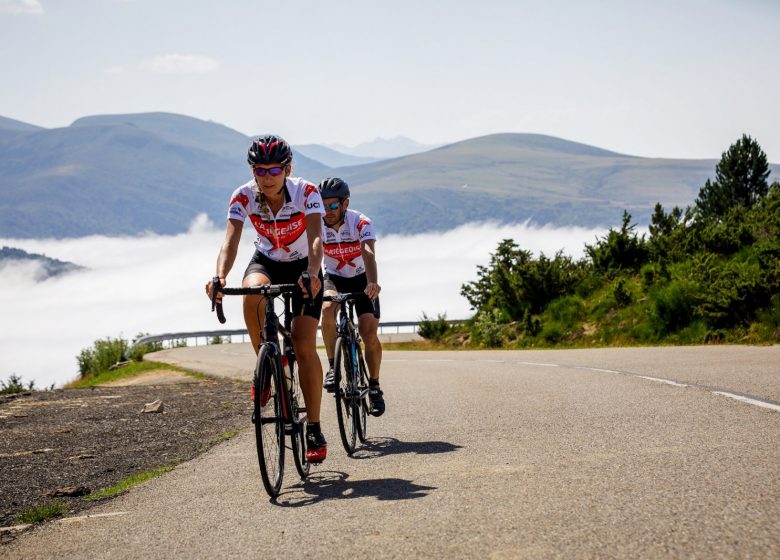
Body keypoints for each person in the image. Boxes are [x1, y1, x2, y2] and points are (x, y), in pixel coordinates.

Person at [205, 135, 328, 462]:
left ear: (287, 169)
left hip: (305, 265)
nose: (267, 176)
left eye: (275, 169)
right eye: (260, 169)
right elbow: (230, 242)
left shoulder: (307, 192)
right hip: (267, 260)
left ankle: (314, 426)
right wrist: (219, 277)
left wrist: (313, 274)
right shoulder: (242, 197)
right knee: (252, 294)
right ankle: (268, 367)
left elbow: (317, 239)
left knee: (303, 346)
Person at [318, 178, 385, 416]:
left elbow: (368, 252)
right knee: (326, 310)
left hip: (362, 278)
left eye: (333, 206)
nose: (327, 211)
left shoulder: (361, 221)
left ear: (345, 203)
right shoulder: (316, 223)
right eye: (322, 205)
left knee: (369, 334)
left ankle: (375, 386)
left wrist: (372, 282)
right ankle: (332, 367)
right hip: (334, 277)